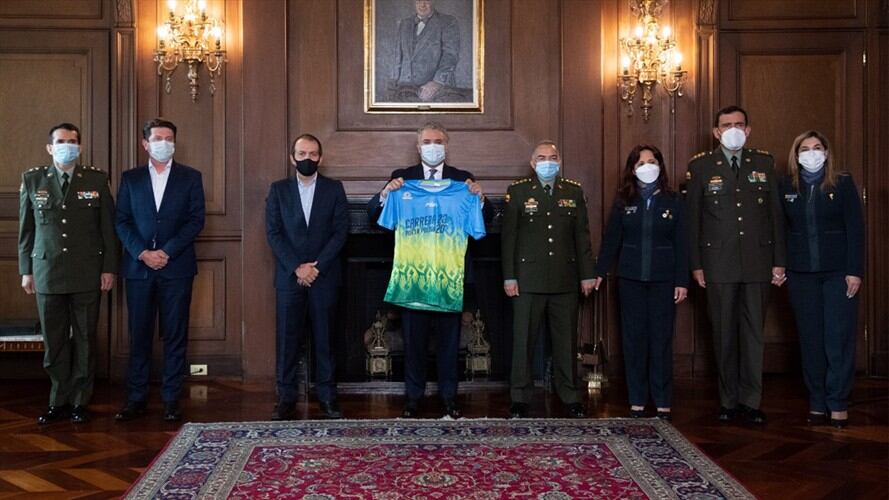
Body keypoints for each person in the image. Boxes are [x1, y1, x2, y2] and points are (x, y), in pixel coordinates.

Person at [368, 122, 491, 418]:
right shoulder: (401, 180)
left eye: (438, 141)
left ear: (446, 147)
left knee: (450, 345)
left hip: (450, 279)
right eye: (427, 141)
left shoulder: (463, 181)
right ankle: (413, 399)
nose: (433, 145)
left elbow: (484, 222)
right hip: (414, 279)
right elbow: (374, 217)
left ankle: (450, 398)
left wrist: (480, 198)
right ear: (418, 146)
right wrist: (386, 193)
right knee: (414, 343)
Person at [686, 105, 785, 425]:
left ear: (748, 129)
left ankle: (751, 400)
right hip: (718, 264)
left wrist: (779, 261)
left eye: (739, 124)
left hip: (758, 261)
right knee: (724, 333)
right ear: (716, 132)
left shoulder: (764, 163)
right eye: (726, 125)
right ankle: (728, 401)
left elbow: (776, 217)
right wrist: (696, 264)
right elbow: (693, 222)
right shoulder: (701, 166)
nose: (733, 129)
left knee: (753, 335)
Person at [18, 123, 119, 424]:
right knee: (55, 340)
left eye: (73, 141)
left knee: (86, 339)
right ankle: (57, 400)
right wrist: (26, 271)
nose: (67, 146)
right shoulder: (33, 179)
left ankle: (79, 401)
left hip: (87, 271)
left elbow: (107, 230)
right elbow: (27, 231)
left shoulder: (96, 179)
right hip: (47, 271)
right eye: (61, 141)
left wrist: (109, 268)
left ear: (81, 146)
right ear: (49, 147)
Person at [114, 118, 206, 423]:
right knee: (139, 335)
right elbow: (121, 221)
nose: (163, 142)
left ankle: (171, 399)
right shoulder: (131, 178)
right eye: (157, 137)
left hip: (176, 267)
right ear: (145, 143)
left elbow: (195, 220)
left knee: (175, 334)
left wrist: (166, 252)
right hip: (139, 269)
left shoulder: (191, 177)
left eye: (169, 137)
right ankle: (136, 398)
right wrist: (142, 252)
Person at [593, 145, 688, 421]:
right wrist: (599, 272)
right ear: (632, 170)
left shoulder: (673, 201)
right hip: (630, 280)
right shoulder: (624, 200)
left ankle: (662, 402)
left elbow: (682, 244)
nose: (647, 166)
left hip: (664, 280)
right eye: (640, 163)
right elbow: (611, 240)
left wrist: (681, 280)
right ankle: (636, 399)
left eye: (652, 161)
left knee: (660, 341)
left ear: (660, 165)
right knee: (634, 341)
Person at [501, 140, 595, 419]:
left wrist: (587, 273)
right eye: (542, 157)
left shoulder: (573, 191)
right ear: (532, 163)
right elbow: (509, 239)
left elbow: (582, 235)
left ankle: (569, 395)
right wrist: (509, 276)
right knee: (523, 342)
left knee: (565, 342)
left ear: (560, 160)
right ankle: (519, 398)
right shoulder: (518, 192)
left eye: (553, 157)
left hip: (565, 279)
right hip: (527, 280)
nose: (547, 162)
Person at [779, 130, 864, 428]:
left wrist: (855, 270)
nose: (811, 152)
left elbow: (855, 229)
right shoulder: (787, 186)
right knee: (811, 339)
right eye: (805, 148)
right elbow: (779, 229)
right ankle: (817, 401)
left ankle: (838, 401)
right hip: (801, 274)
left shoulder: (841, 183)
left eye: (817, 147)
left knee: (837, 338)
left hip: (838, 273)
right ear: (796, 154)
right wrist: (780, 266)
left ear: (826, 153)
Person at [266, 134, 349, 420]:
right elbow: (274, 233)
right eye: (302, 154)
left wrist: (317, 266)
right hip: (290, 278)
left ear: (320, 158)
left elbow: (341, 232)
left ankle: (327, 397)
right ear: (292, 158)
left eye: (313, 154)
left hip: (324, 277)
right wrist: (297, 267)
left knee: (326, 340)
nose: (307, 159)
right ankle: (286, 398)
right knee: (288, 340)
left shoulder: (334, 189)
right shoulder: (278, 190)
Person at [392, 0, 460, 102]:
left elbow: (450, 55)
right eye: (419, 1)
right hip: (404, 88)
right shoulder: (404, 23)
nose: (422, 5)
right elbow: (398, 56)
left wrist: (437, 82)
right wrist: (394, 81)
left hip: (436, 90)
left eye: (427, 1)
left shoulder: (448, 22)